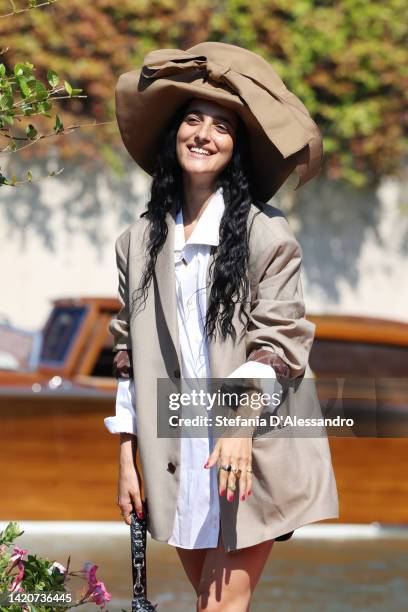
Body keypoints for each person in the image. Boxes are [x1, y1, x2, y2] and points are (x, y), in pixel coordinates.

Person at [104, 42, 339, 611]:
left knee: (218, 607)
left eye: (222, 126)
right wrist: (125, 459)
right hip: (177, 451)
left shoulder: (268, 237)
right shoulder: (136, 243)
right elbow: (129, 353)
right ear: (173, 136)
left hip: (254, 446)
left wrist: (237, 430)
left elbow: (280, 341)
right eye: (192, 119)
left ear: (236, 149)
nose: (204, 133)